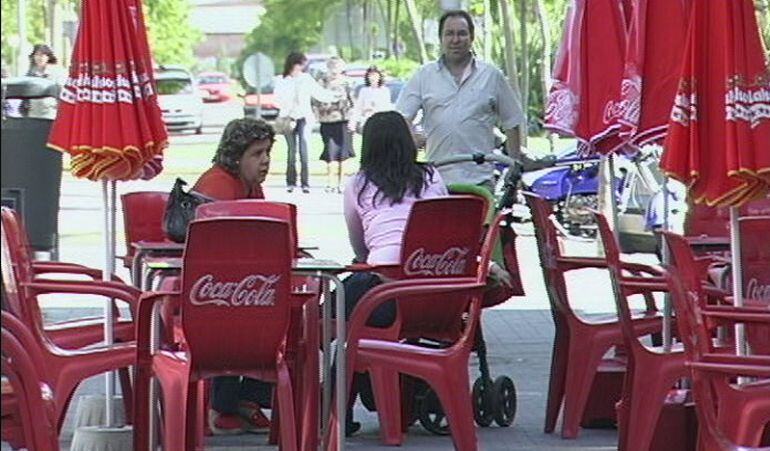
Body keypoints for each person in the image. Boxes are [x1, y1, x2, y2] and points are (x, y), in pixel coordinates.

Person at [342, 111, 449, 432]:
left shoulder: (358, 185)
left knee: (330, 317)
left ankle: (338, 409)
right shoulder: (432, 177)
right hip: (436, 296)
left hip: (383, 296)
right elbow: (447, 229)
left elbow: (361, 251)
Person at [192, 117, 274, 435]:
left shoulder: (251, 185)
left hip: (237, 283)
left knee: (274, 307)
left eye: (267, 152)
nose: (265, 160)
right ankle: (223, 405)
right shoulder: (218, 187)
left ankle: (247, 400)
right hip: (209, 290)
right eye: (257, 153)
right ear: (236, 155)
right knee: (240, 314)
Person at [395, 10, 525, 191]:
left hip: (480, 181)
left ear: (471, 37)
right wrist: (410, 143)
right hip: (437, 181)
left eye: (462, 33)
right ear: (440, 38)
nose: (455, 40)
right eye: (449, 33)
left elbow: (512, 122)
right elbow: (400, 119)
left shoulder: (491, 76)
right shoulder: (424, 76)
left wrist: (515, 167)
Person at [275, 51, 339, 193]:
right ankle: (291, 182)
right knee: (291, 152)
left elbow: (319, 93)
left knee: (304, 149)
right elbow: (277, 99)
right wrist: (288, 104)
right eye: (300, 64)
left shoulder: (306, 79)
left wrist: (334, 97)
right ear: (293, 64)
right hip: (288, 118)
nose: (301, 67)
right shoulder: (281, 80)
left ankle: (305, 183)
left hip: (303, 117)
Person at [312, 57, 355, 193]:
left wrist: (353, 121)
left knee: (343, 153)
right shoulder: (321, 83)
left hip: (344, 121)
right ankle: (331, 183)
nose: (334, 70)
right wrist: (316, 116)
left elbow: (353, 102)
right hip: (327, 121)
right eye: (332, 67)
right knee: (330, 152)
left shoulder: (347, 83)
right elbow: (314, 100)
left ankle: (342, 183)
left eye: (337, 67)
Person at [22, 44, 64, 119]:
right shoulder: (30, 74)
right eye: (37, 55)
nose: (39, 58)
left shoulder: (56, 73)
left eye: (42, 55)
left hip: (51, 113)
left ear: (48, 57)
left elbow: (61, 92)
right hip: (33, 114)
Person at [348, 65, 392, 135]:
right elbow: (358, 108)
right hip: (367, 121)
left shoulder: (384, 91)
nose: (372, 77)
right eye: (370, 75)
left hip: (381, 122)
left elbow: (386, 108)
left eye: (374, 75)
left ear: (379, 76)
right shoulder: (364, 91)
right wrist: (352, 124)